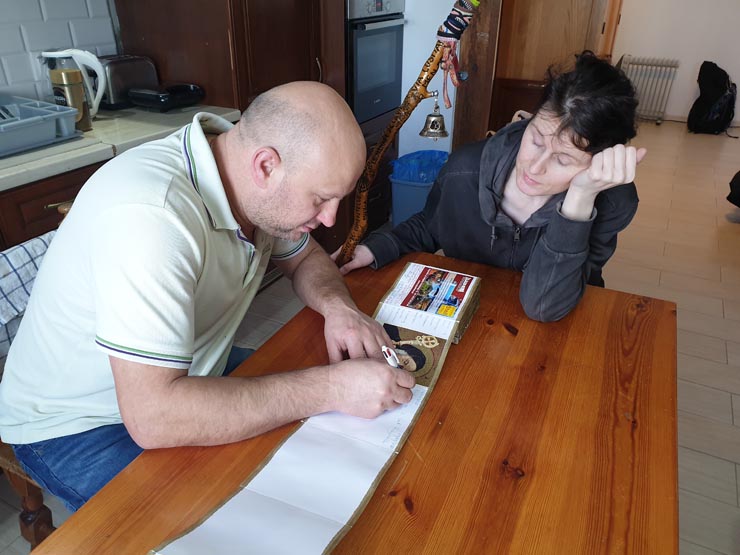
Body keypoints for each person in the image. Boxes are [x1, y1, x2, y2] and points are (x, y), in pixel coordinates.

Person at [0, 82, 415, 511]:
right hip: (77, 423)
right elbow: (153, 416)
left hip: (185, 370)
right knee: (232, 517)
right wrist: (331, 389)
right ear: (266, 166)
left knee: (316, 449)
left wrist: (339, 308)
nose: (329, 219)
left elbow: (307, 258)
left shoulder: (247, 180)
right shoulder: (152, 218)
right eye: (321, 199)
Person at [336, 52, 647, 322]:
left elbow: (545, 305)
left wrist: (579, 200)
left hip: (557, 330)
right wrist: (374, 248)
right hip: (472, 318)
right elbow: (431, 225)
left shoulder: (612, 202)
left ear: (599, 162)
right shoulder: (465, 170)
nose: (535, 167)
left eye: (563, 160)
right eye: (536, 140)